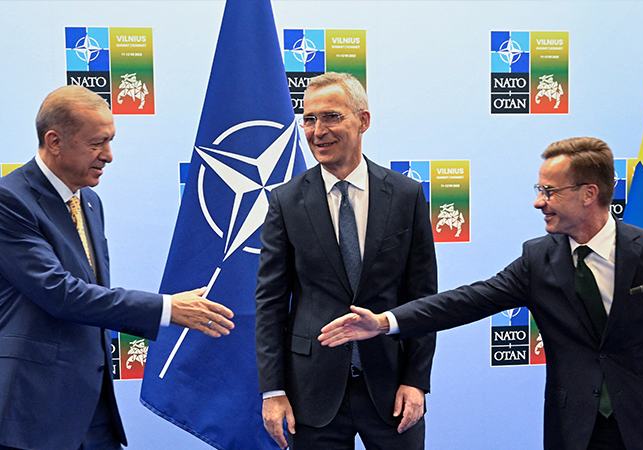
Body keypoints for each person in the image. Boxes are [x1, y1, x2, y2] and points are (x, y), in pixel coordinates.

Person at [319, 136, 643, 450]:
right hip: (576, 430)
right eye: (539, 190)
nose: (539, 201)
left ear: (589, 193)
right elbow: (468, 300)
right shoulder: (538, 260)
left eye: (549, 191)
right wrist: (386, 322)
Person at [0, 85, 235, 450]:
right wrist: (167, 308)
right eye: (97, 143)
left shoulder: (89, 201)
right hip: (35, 412)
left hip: (93, 414)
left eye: (110, 141)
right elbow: (61, 294)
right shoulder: (9, 201)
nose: (108, 155)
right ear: (54, 140)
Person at [255, 72, 437, 450]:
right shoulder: (285, 201)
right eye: (309, 119)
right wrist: (272, 390)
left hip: (392, 391)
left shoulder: (405, 195)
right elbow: (270, 303)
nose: (318, 130)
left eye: (332, 117)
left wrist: (416, 380)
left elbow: (423, 297)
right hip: (311, 393)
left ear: (363, 121)